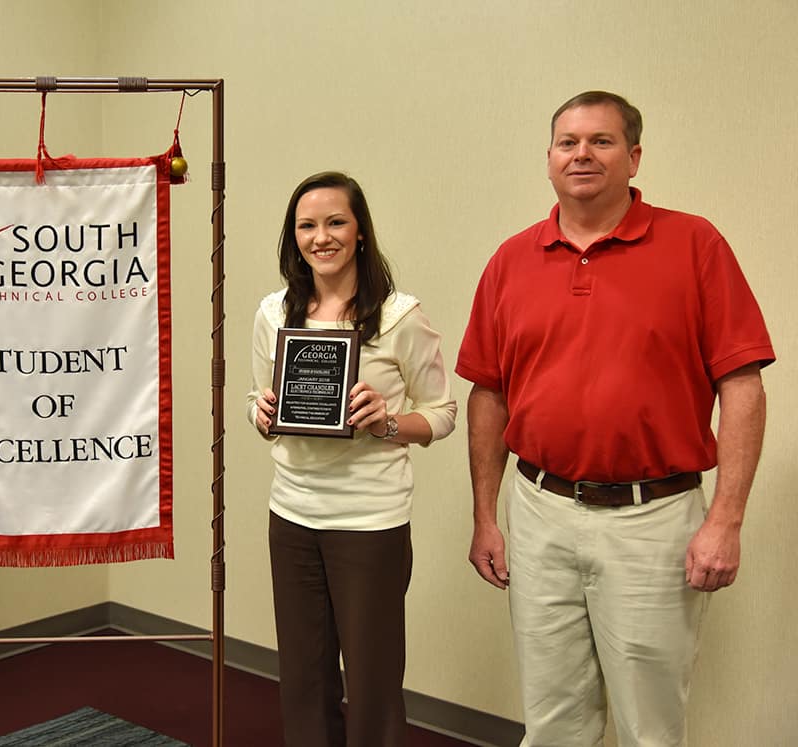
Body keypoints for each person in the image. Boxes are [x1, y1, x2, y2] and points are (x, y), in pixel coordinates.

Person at [457, 91, 774, 746]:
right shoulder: (512, 260)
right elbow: (487, 394)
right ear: (548, 159)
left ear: (633, 157)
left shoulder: (694, 244)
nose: (582, 154)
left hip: (652, 519)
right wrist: (486, 516)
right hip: (540, 512)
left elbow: (742, 386)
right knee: (551, 720)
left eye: (600, 141)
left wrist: (726, 520)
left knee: (649, 725)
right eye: (568, 142)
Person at [248, 171, 457, 747]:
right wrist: (262, 413)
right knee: (302, 677)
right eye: (307, 225)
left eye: (335, 222)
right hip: (291, 515)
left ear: (360, 231)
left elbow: (441, 412)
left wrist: (387, 421)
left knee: (371, 681)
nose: (321, 237)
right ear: (293, 237)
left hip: (370, 523)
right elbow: (253, 400)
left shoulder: (398, 316)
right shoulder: (274, 313)